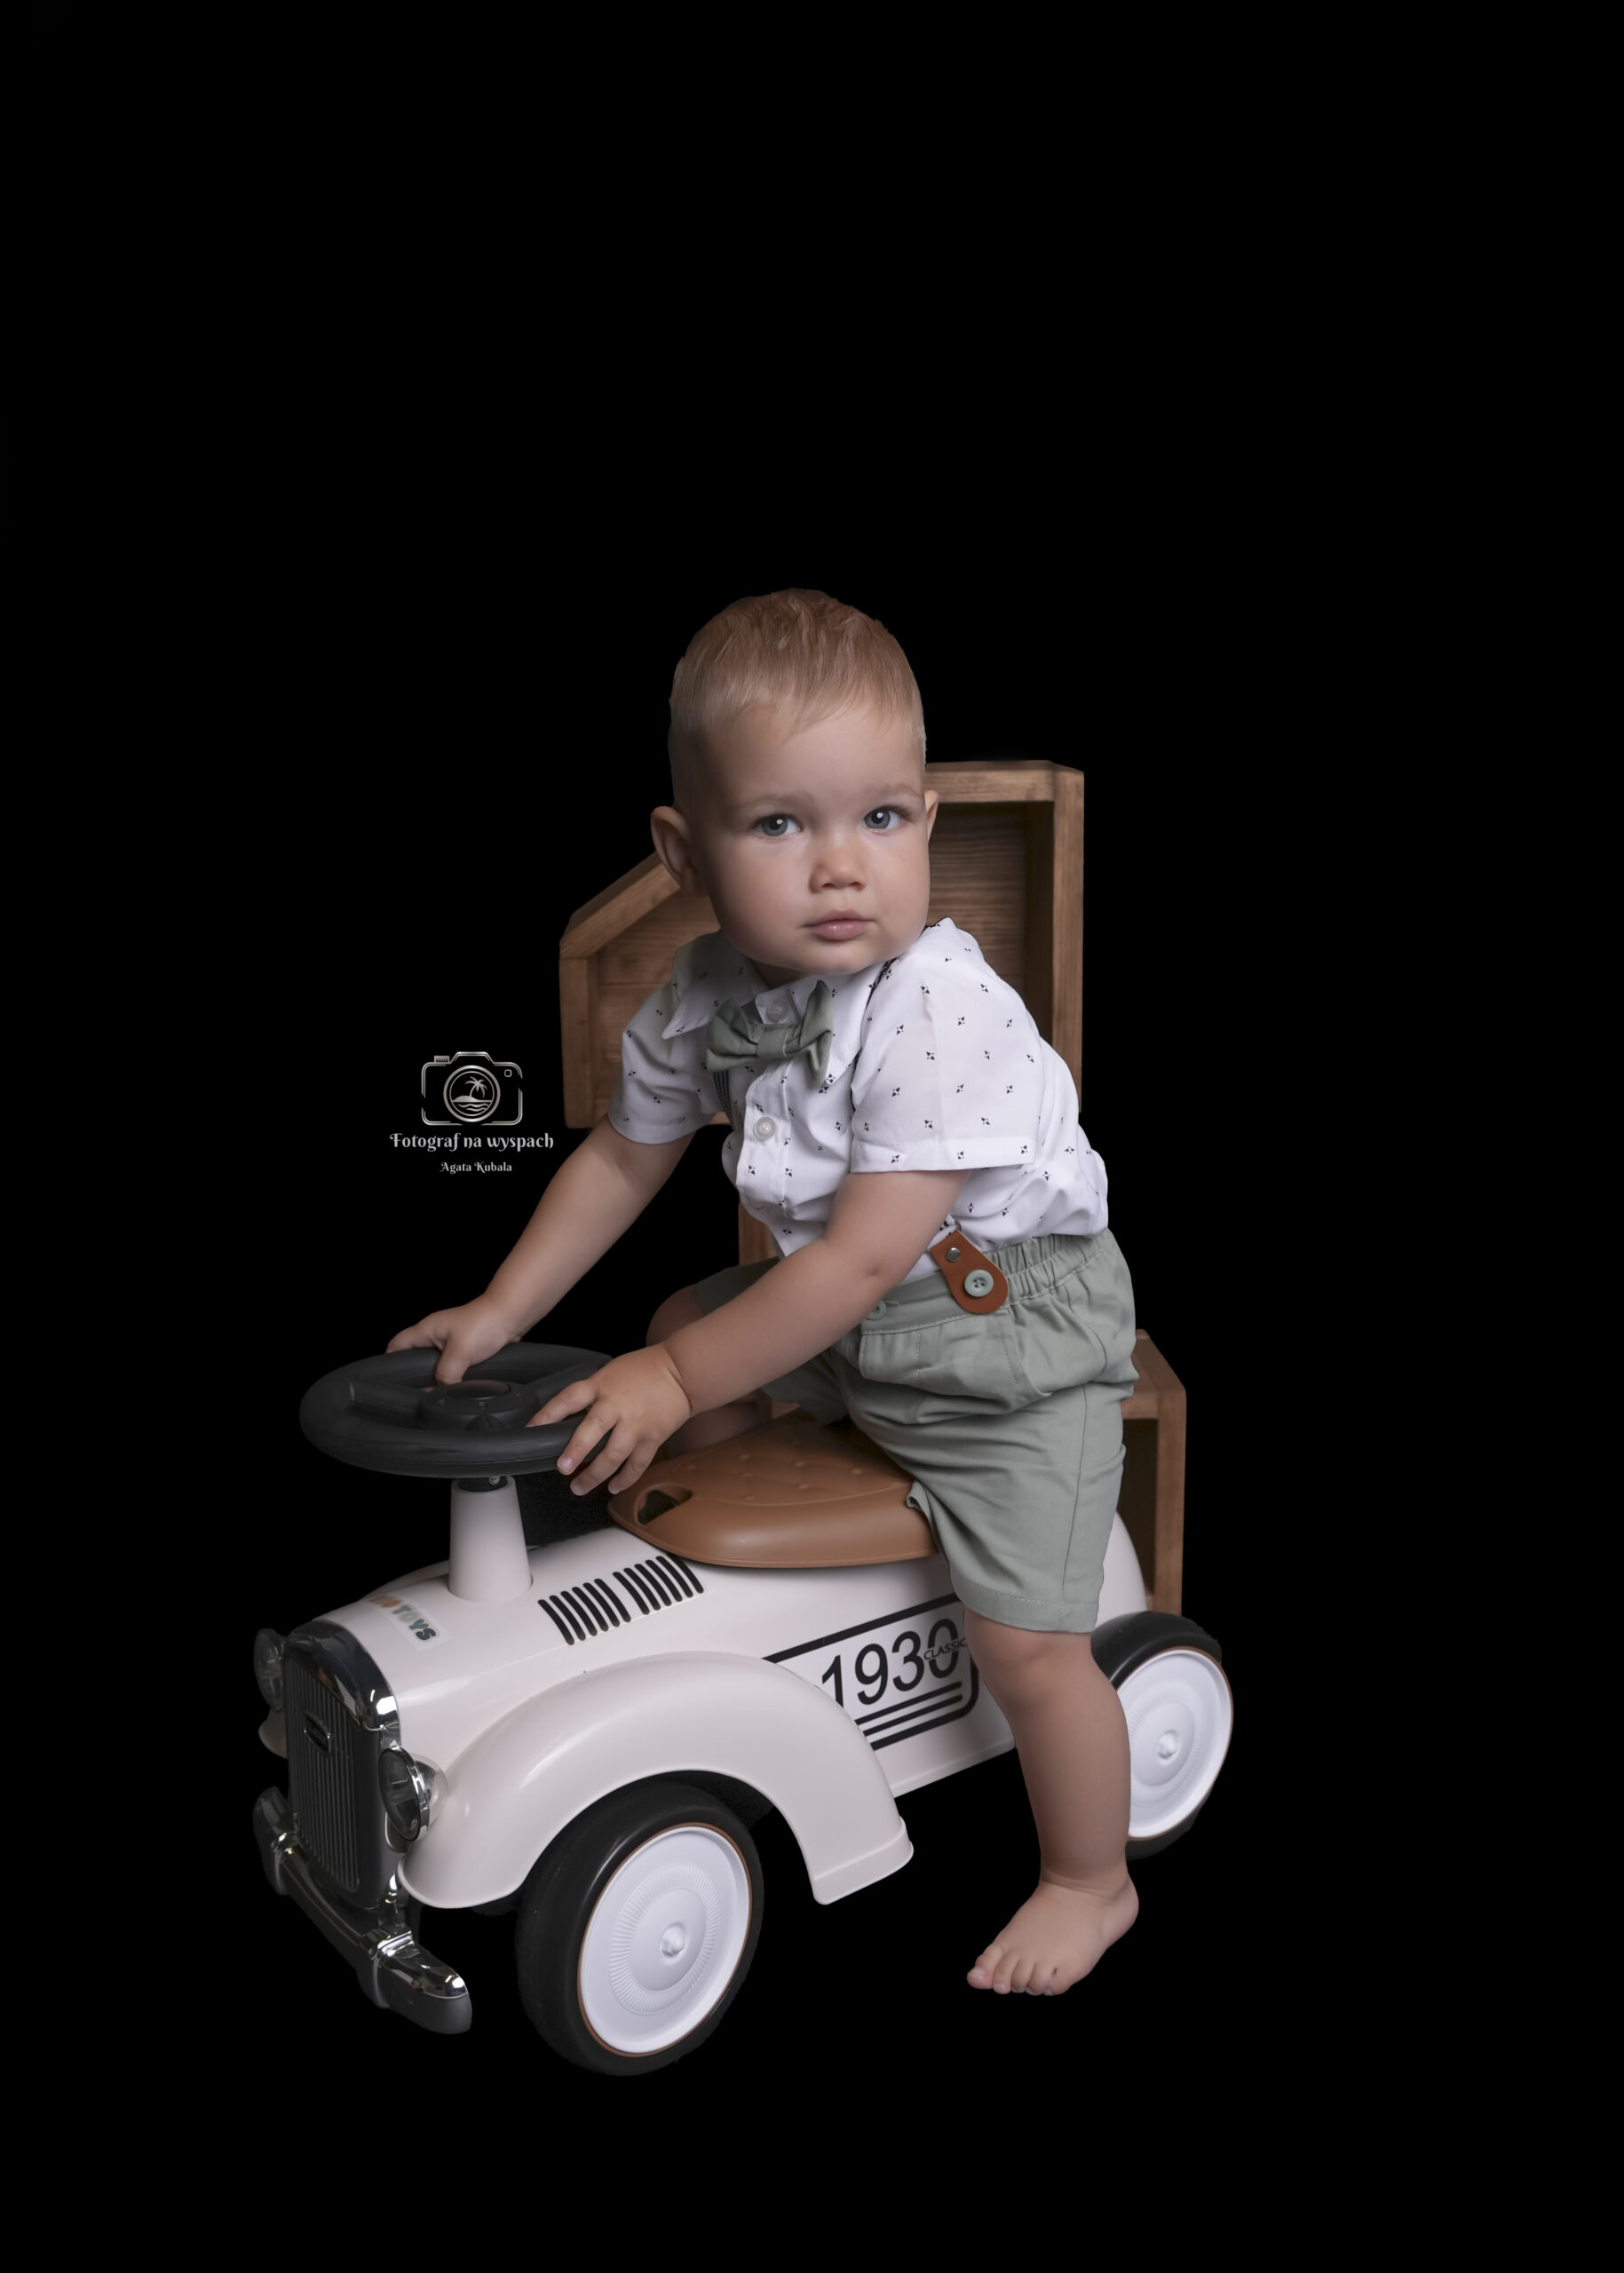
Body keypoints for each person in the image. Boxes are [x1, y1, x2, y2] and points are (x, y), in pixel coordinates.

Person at [389, 590, 1141, 1997]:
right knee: (679, 1319)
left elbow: (861, 1260)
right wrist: (500, 1311)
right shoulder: (699, 994)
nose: (839, 866)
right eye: (781, 824)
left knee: (1030, 1646)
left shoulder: (936, 1006)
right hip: (853, 1315)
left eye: (878, 818)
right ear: (684, 852)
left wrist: (677, 1384)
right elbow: (623, 1156)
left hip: (999, 1343)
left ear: (924, 824)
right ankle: (774, 1599)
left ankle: (1089, 1880)